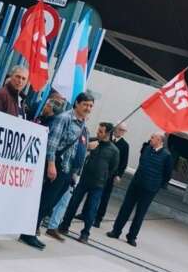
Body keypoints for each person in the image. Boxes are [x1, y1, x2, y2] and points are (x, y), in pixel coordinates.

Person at [20, 91, 94, 250]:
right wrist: (51, 165)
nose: (88, 108)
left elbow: (77, 148)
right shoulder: (64, 118)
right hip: (58, 168)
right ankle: (27, 232)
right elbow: (52, 143)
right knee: (45, 201)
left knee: (50, 204)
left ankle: (32, 229)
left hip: (68, 171)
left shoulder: (83, 124)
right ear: (76, 104)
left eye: (90, 106)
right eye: (85, 104)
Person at [57, 122, 119, 243]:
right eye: (98, 130)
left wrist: (104, 177)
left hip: (98, 184)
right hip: (84, 179)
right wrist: (88, 148)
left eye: (101, 131)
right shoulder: (92, 143)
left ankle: (85, 233)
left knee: (91, 209)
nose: (98, 133)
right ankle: (64, 225)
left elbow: (113, 168)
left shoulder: (114, 150)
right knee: (73, 203)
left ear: (107, 133)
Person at [107, 133, 172, 247]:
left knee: (140, 213)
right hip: (136, 183)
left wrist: (156, 185)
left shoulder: (166, 155)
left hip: (149, 189)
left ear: (159, 140)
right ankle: (116, 231)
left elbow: (167, 175)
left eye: (152, 137)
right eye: (150, 136)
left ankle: (131, 236)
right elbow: (142, 161)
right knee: (125, 208)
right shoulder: (147, 149)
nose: (150, 139)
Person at [93, 123, 131, 228]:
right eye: (120, 129)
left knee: (104, 197)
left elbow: (124, 162)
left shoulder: (124, 145)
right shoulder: (106, 138)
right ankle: (85, 213)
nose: (121, 132)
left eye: (123, 131)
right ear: (115, 129)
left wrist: (119, 175)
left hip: (111, 174)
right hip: (99, 171)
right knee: (92, 192)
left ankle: (98, 218)